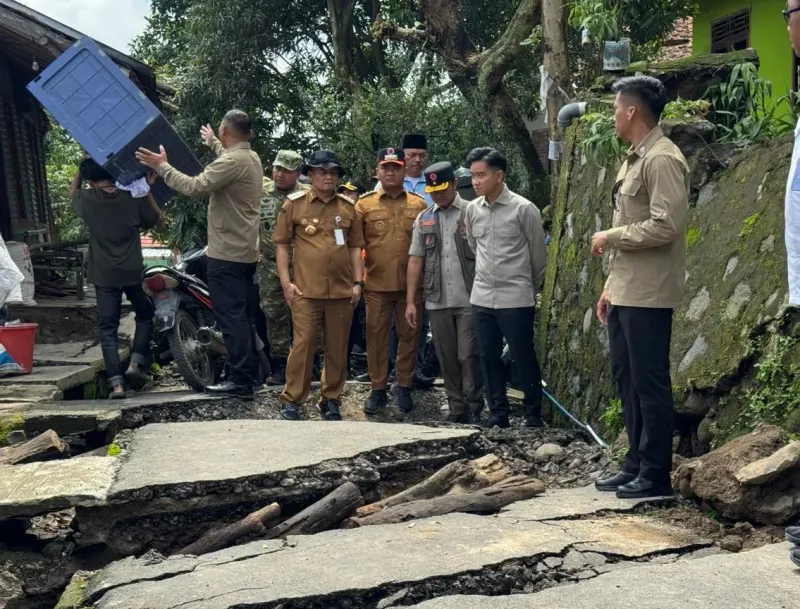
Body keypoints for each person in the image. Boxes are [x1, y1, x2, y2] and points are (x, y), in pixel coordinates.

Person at [591, 76, 689, 500]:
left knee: (650, 383)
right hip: (626, 289)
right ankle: (635, 462)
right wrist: (609, 287)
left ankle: (655, 473)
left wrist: (611, 236)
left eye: (616, 108)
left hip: (650, 293)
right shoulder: (634, 158)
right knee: (626, 378)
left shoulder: (663, 158)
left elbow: (668, 225)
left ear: (632, 111)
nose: (613, 116)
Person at [136, 110, 264, 398]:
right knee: (242, 316)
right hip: (245, 252)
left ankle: (241, 381)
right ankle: (252, 375)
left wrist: (164, 166)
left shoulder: (232, 161)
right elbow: (228, 158)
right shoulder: (250, 157)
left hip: (226, 254)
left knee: (231, 318)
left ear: (224, 130)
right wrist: (213, 144)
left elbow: (195, 187)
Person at [273, 151, 364, 421]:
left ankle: (331, 399)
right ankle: (293, 400)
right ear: (310, 174)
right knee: (303, 345)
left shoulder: (348, 209)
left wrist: (358, 283)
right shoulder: (294, 204)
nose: (328, 177)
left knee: (337, 347)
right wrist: (286, 282)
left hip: (341, 291)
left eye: (333, 173)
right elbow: (281, 244)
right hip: (305, 290)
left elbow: (355, 247)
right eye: (322, 172)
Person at [465, 147, 546, 429]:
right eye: (473, 176)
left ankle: (533, 413)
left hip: (516, 296)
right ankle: (498, 412)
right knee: (488, 356)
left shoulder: (524, 209)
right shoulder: (472, 209)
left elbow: (538, 256)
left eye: (481, 175)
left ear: (499, 176)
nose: (475, 181)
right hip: (483, 295)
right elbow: (475, 248)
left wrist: (528, 286)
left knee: (523, 355)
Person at [70, 158, 162, 398]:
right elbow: (156, 218)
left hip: (104, 274)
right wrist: (146, 188)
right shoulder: (132, 197)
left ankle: (116, 385)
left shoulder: (87, 200)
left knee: (108, 329)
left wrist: (81, 170)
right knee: (145, 315)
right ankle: (135, 364)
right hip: (132, 271)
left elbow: (73, 192)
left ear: (90, 181)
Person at [406, 161, 482, 423]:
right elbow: (415, 260)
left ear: (453, 184)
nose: (437, 194)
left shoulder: (473, 211)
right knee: (446, 356)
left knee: (468, 353)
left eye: (441, 189)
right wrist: (411, 302)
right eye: (433, 190)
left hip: (470, 296)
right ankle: (457, 407)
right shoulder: (424, 217)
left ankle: (474, 404)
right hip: (437, 298)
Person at [357, 148, 428, 414]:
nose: (390, 172)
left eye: (396, 167)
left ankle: (404, 386)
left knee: (409, 336)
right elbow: (355, 246)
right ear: (377, 171)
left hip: (410, 288)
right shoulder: (364, 205)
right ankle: (378, 389)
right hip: (376, 285)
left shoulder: (418, 204)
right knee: (376, 338)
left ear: (404, 169)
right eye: (385, 167)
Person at [254, 150, 309, 385]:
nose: (279, 174)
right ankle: (279, 366)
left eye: (286, 170)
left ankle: (310, 363)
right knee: (274, 314)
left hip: (303, 266)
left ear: (297, 173)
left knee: (305, 314)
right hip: (269, 266)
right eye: (277, 168)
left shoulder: (308, 195)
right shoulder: (262, 192)